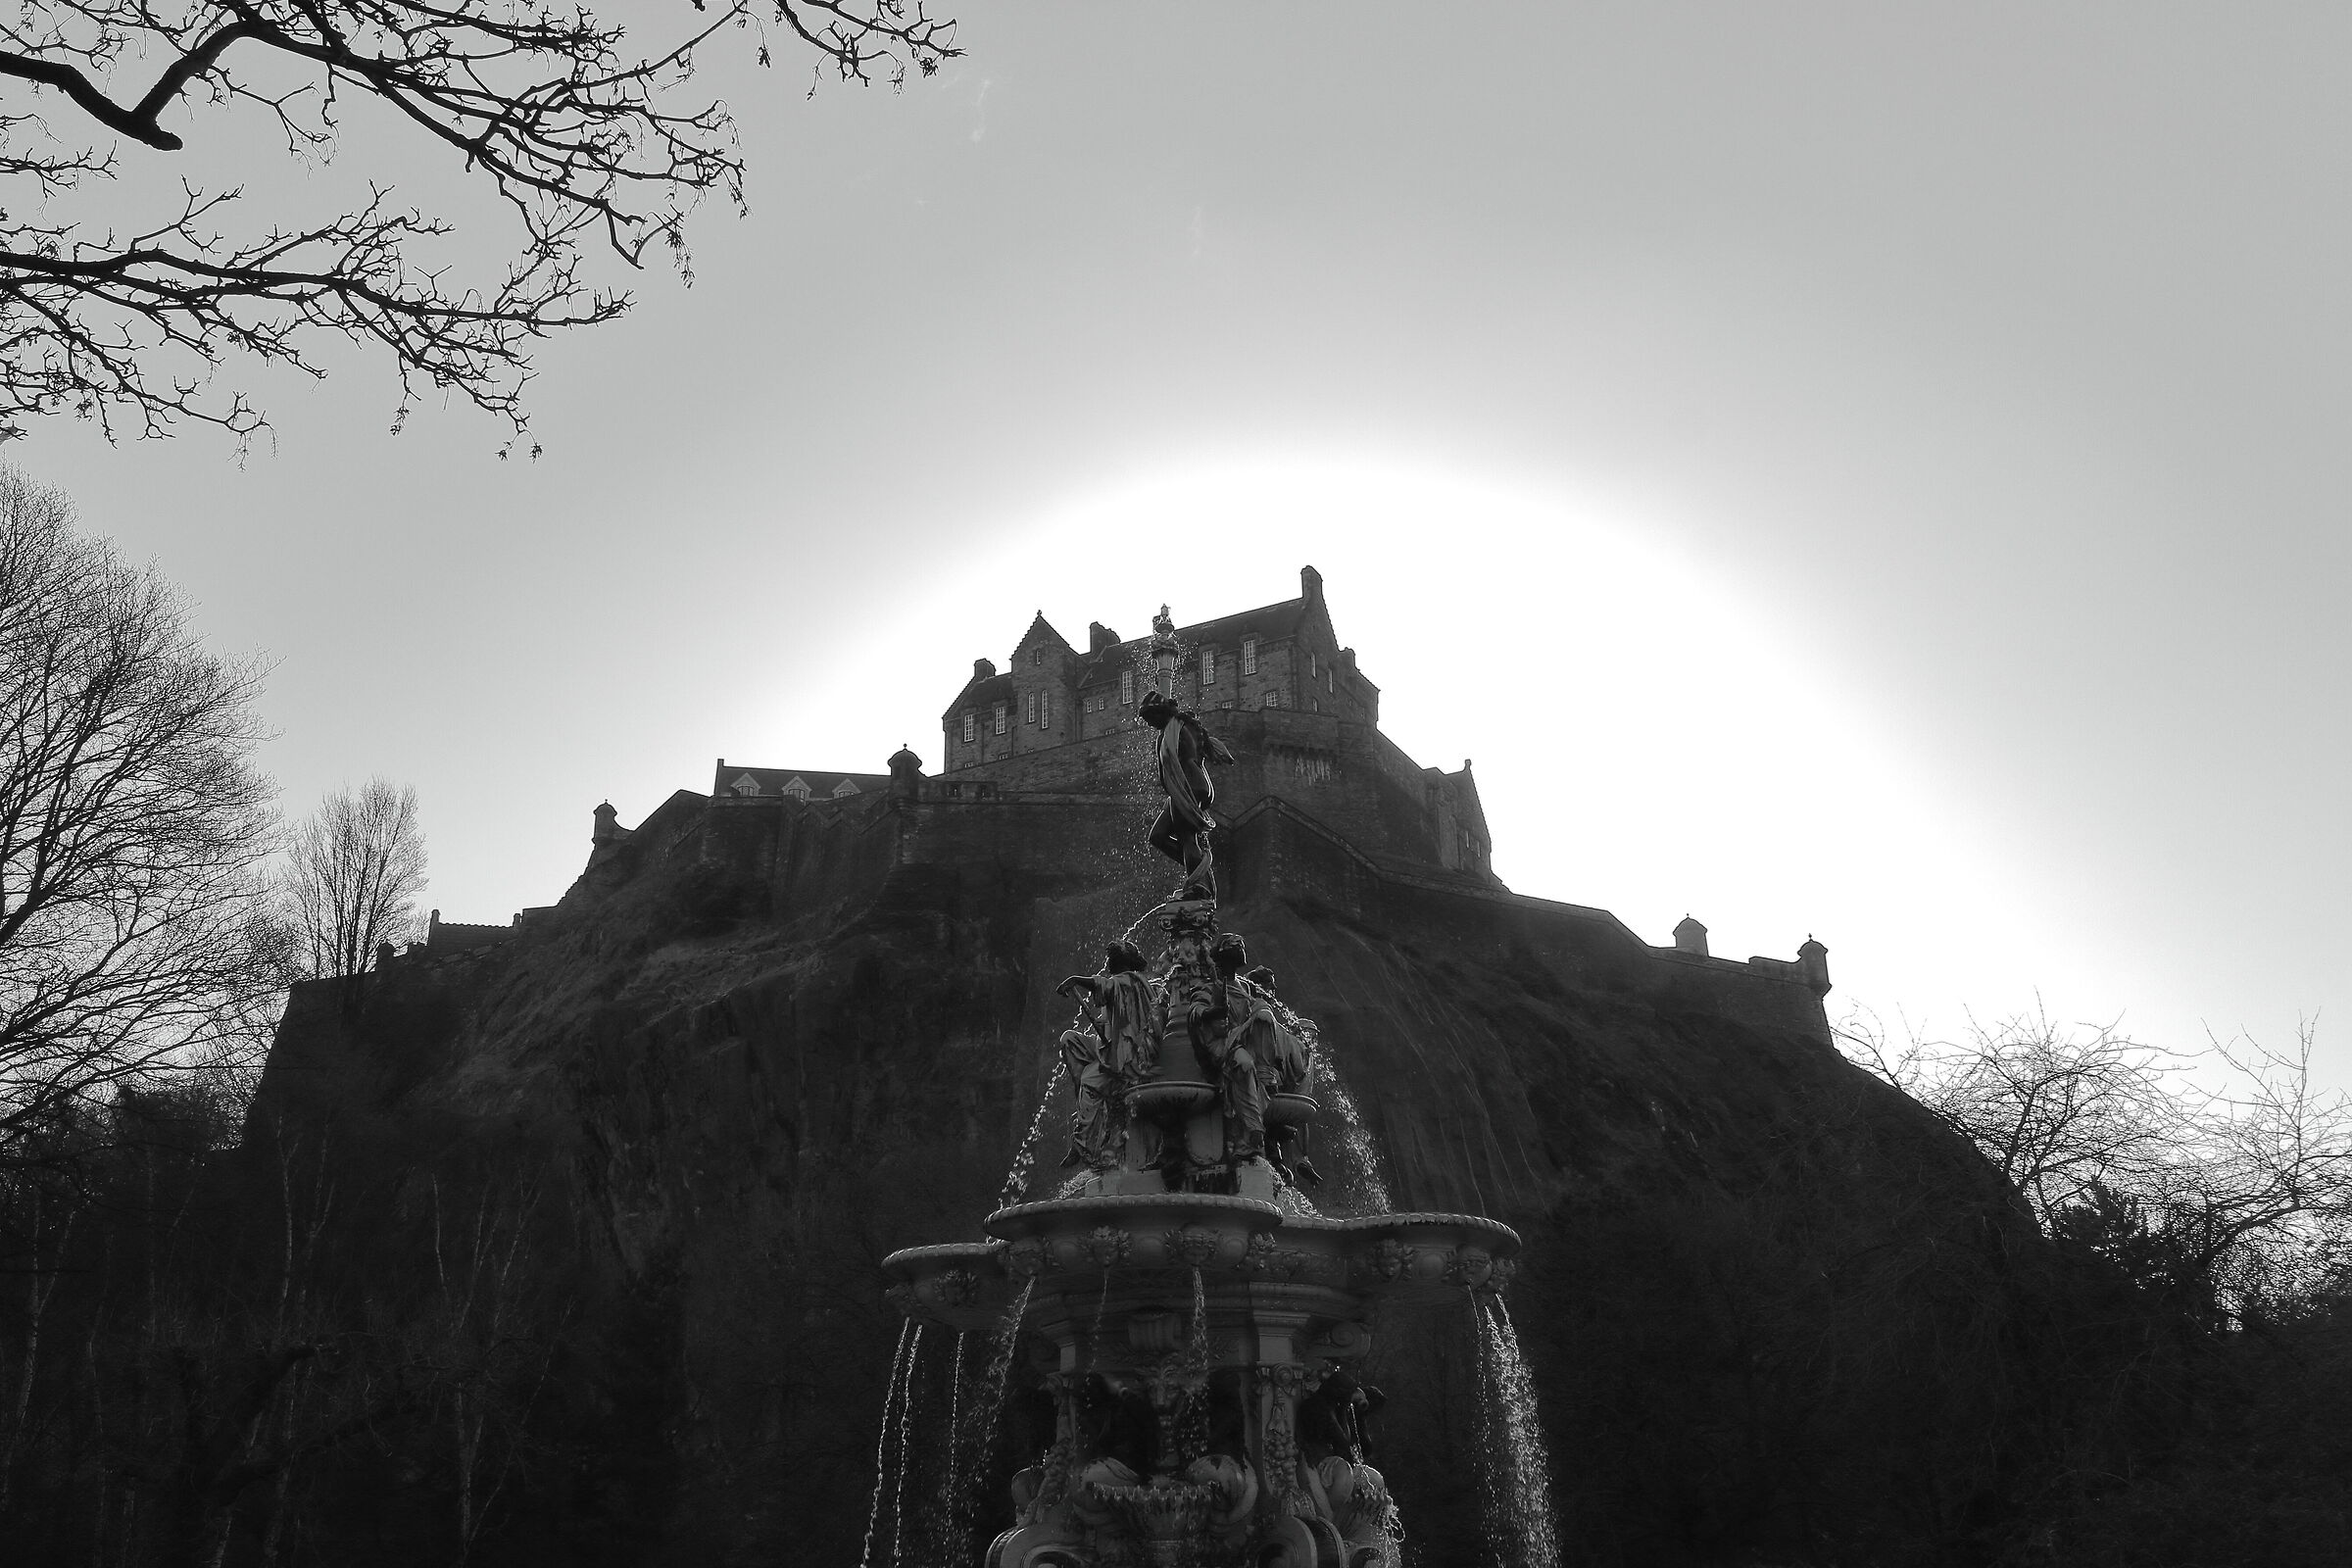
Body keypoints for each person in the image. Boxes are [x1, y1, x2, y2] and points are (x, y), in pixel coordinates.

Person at [1138, 689, 1233, 901]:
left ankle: (1198, 888)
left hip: (1188, 786)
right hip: (1190, 786)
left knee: (1187, 838)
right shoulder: (1181, 726)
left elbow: (1173, 763)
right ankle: (1199, 872)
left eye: (1150, 718)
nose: (1149, 724)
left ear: (1160, 713)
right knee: (1158, 836)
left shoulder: (1175, 730)